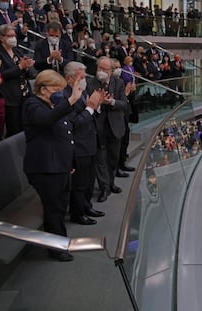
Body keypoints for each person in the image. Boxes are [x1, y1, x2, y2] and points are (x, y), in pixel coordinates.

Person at [23, 69, 87, 261]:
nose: (60, 92)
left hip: (60, 166)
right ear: (43, 89)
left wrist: (71, 162)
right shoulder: (33, 104)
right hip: (45, 169)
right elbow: (45, 122)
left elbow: (66, 135)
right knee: (54, 209)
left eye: (62, 88)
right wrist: (69, 100)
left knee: (60, 207)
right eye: (56, 88)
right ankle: (56, 248)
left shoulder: (53, 105)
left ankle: (62, 241)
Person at [63, 62, 105, 225]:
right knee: (79, 184)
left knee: (89, 181)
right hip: (79, 146)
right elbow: (74, 123)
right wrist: (90, 108)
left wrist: (97, 106)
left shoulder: (82, 91)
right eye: (81, 77)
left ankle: (87, 206)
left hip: (90, 143)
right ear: (69, 78)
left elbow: (91, 113)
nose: (84, 80)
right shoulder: (67, 96)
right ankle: (78, 213)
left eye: (84, 77)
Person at [87, 57, 128, 203]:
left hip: (115, 127)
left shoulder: (119, 83)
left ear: (111, 71)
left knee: (113, 158)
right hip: (98, 128)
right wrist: (97, 103)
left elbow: (124, 104)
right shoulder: (90, 83)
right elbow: (88, 105)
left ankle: (111, 183)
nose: (102, 72)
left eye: (105, 69)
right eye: (100, 68)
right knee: (101, 159)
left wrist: (111, 102)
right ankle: (104, 187)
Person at [0, 24, 34, 137]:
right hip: (10, 96)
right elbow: (2, 75)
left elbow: (27, 73)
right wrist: (20, 67)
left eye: (14, 35)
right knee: (14, 129)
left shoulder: (17, 51)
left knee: (27, 125)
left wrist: (27, 66)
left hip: (25, 93)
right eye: (9, 35)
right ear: (1, 38)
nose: (13, 38)